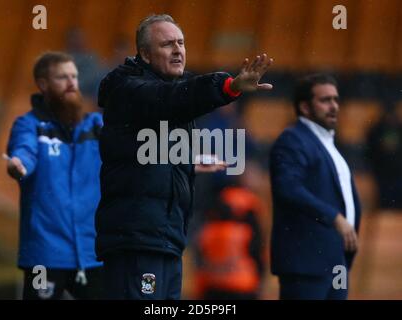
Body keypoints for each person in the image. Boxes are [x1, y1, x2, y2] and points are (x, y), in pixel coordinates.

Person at [95, 14, 273, 300]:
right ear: (144, 53)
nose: (178, 49)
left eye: (181, 42)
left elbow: (143, 151)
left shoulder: (164, 91)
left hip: (166, 239)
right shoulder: (128, 89)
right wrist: (229, 87)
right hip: (137, 240)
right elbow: (171, 99)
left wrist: (185, 159)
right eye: (167, 44)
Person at [6, 52, 104, 300]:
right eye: (62, 77)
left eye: (74, 76)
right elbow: (24, 151)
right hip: (44, 255)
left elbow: (132, 151)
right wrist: (19, 165)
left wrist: (176, 161)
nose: (72, 83)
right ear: (43, 84)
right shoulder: (29, 125)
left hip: (93, 253)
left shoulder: (96, 125)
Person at [269, 74, 362, 300]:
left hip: (337, 262)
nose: (334, 106)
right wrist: (335, 217)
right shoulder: (293, 140)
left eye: (336, 100)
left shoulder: (328, 143)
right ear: (305, 107)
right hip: (307, 264)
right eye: (325, 100)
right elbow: (288, 188)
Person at [193, 161, 269, 300]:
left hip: (212, 284)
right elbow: (257, 248)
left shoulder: (210, 215)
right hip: (243, 284)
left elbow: (199, 253)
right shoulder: (250, 206)